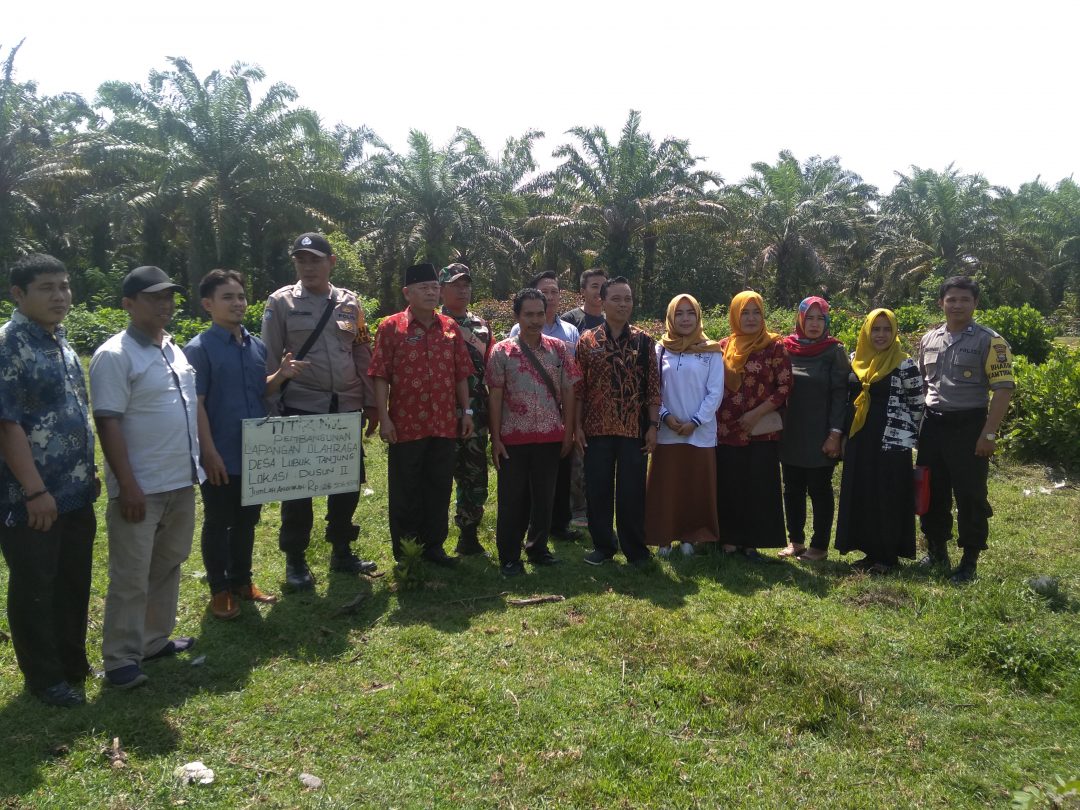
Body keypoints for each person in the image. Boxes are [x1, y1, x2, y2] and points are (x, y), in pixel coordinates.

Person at [90, 265, 204, 690]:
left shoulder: (173, 348)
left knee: (168, 564)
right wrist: (128, 484)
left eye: (168, 296)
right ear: (128, 304)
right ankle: (120, 659)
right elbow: (108, 421)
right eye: (153, 297)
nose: (164, 303)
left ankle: (153, 640)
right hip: (141, 486)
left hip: (179, 480)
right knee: (131, 575)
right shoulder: (115, 355)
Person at [0, 254, 98, 707]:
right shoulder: (9, 344)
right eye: (46, 287)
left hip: (75, 489)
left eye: (64, 285)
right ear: (18, 294)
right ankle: (45, 678)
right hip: (31, 496)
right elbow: (7, 424)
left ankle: (71, 661)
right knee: (36, 584)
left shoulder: (59, 340)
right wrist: (34, 491)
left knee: (73, 579)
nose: (60, 295)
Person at [184, 270, 308, 619]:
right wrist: (208, 452)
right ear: (208, 304)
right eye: (228, 297)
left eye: (240, 296)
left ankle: (242, 580)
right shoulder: (199, 349)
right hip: (219, 452)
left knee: (246, 520)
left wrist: (280, 375)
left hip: (253, 451)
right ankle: (220, 589)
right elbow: (197, 404)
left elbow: (260, 390)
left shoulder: (255, 346)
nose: (237, 303)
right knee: (218, 520)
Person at [261, 232, 378, 591]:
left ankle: (341, 549)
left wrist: (371, 399)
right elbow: (269, 356)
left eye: (315, 259)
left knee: (346, 484)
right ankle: (295, 560)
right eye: (301, 260)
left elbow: (361, 350)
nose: (308, 266)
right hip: (302, 405)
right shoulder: (281, 303)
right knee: (298, 491)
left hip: (345, 407)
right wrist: (270, 405)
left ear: (332, 263)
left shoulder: (349, 303)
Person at [369, 262, 476, 566]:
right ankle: (406, 551)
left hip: (444, 422)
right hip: (406, 424)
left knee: (438, 486)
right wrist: (385, 418)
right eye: (423, 288)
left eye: (433, 288)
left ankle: (434, 546)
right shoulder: (391, 327)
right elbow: (380, 375)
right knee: (406, 488)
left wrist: (466, 411)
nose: (431, 293)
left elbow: (460, 374)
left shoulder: (450, 328)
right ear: (407, 292)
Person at [916, 276, 1015, 583]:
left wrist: (988, 433)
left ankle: (969, 560)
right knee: (932, 490)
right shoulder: (928, 339)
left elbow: (1003, 389)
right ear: (941, 303)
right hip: (932, 425)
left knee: (970, 495)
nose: (957, 305)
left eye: (964, 299)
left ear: (975, 304)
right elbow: (921, 384)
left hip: (969, 426)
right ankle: (936, 551)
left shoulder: (990, 341)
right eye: (951, 299)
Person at [487, 288, 580, 576]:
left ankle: (538, 548)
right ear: (517, 316)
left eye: (540, 313)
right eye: (528, 314)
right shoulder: (502, 351)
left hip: (551, 436)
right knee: (512, 499)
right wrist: (496, 437)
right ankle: (509, 557)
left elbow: (569, 390)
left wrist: (568, 433)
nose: (535, 320)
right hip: (513, 437)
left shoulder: (559, 349)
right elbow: (495, 396)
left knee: (544, 497)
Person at [574, 275, 660, 566]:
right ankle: (603, 546)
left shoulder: (644, 341)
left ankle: (635, 548)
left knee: (632, 491)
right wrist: (576, 426)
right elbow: (579, 388)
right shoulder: (587, 341)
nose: (623, 304)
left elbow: (653, 388)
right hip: (596, 429)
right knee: (597, 489)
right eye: (617, 299)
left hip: (633, 429)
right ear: (602, 301)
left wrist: (652, 426)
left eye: (628, 299)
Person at [834, 309, 923, 574]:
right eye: (876, 329)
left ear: (894, 332)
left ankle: (887, 556)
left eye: (886, 329)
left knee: (888, 493)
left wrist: (905, 433)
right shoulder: (855, 359)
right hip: (860, 437)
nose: (881, 335)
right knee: (863, 492)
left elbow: (917, 405)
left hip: (891, 440)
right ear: (867, 332)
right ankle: (869, 551)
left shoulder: (904, 364)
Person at [644, 294, 725, 556]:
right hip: (668, 430)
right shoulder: (660, 349)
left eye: (690, 313)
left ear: (699, 316)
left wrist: (695, 421)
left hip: (700, 432)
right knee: (667, 485)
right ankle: (664, 537)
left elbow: (715, 392)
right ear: (670, 317)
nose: (686, 318)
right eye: (679, 314)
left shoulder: (711, 350)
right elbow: (654, 388)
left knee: (695, 484)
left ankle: (691, 537)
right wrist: (665, 416)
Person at [715, 291, 792, 558]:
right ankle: (729, 539)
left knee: (759, 485)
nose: (750, 318)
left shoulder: (774, 346)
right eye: (744, 312)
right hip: (726, 429)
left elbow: (784, 387)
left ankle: (752, 542)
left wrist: (756, 414)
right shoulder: (723, 346)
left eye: (755, 312)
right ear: (735, 314)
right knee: (730, 483)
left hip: (761, 430)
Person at [510, 270, 581, 541]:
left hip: (560, 409)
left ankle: (559, 523)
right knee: (531, 473)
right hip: (528, 411)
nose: (550, 297)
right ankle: (532, 524)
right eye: (545, 291)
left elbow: (573, 376)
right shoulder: (519, 330)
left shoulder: (570, 331)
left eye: (555, 292)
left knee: (560, 469)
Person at [777, 297, 849, 561]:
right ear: (800, 319)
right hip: (790, 432)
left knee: (819, 489)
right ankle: (795, 541)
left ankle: (819, 546)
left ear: (827, 322)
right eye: (810, 318)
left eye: (821, 319)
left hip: (821, 433)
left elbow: (841, 394)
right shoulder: (786, 347)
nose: (815, 324)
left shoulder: (833, 351)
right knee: (792, 488)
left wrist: (835, 434)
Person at [439, 263, 493, 556]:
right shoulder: (433, 322)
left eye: (466, 284)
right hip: (441, 414)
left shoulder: (481, 325)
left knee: (474, 475)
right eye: (456, 284)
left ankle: (468, 536)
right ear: (442, 289)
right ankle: (431, 538)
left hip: (476, 413)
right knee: (438, 474)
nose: (462, 289)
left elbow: (489, 369)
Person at [561, 267, 607, 332]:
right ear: (583, 291)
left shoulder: (610, 321)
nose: (600, 291)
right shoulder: (568, 320)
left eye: (603, 287)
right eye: (595, 286)